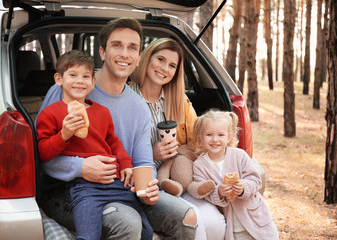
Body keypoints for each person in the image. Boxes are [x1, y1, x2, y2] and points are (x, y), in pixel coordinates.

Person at [37, 17, 197, 239]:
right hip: (64, 190)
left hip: (119, 187)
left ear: (139, 57)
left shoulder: (138, 107)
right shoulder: (73, 88)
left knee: (186, 216)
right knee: (128, 222)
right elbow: (41, 154)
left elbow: (143, 162)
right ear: (102, 52)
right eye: (116, 45)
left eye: (132, 48)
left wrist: (148, 186)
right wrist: (80, 167)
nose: (125, 54)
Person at [36, 50, 153, 240]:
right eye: (72, 75)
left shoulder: (102, 112)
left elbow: (113, 141)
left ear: (93, 83)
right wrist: (64, 134)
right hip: (83, 187)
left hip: (114, 182)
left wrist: (125, 163)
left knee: (146, 231)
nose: (80, 81)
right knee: (89, 234)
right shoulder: (50, 114)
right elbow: (42, 153)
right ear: (59, 79)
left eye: (86, 76)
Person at [130, 38, 226, 240]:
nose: (164, 68)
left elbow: (198, 143)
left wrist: (183, 153)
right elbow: (115, 150)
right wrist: (152, 153)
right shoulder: (127, 97)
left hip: (180, 178)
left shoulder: (180, 100)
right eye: (160, 60)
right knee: (195, 223)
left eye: (172, 65)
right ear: (147, 58)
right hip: (146, 183)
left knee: (216, 224)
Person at [192, 110, 279, 240]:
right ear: (201, 137)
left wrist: (244, 187)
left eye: (221, 135)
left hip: (255, 218)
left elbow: (255, 179)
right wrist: (219, 192)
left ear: (229, 137)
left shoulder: (239, 155)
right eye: (209, 134)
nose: (215, 140)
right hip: (233, 227)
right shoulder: (199, 165)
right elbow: (204, 193)